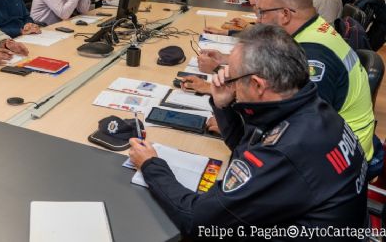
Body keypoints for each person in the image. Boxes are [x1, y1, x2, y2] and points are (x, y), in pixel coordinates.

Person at [129, 24, 367, 238]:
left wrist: (151, 165)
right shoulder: (308, 104)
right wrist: (223, 104)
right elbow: (245, 149)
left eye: (231, 78)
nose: (226, 82)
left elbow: (198, 221)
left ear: (257, 84)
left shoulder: (287, 149)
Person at [200, 0, 375, 165]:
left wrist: (235, 126)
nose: (257, 20)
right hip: (336, 142)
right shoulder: (313, 29)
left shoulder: (312, 57)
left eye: (262, 13)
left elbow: (293, 131)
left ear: (284, 14)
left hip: (344, 160)